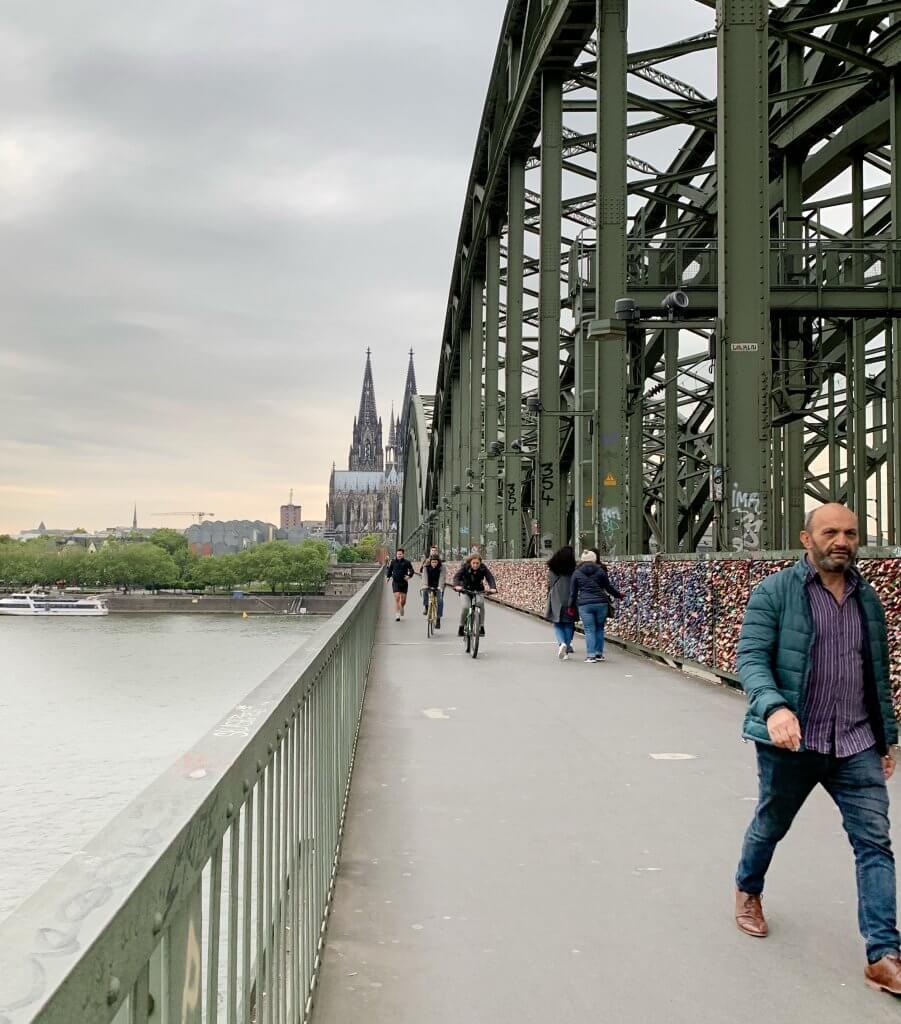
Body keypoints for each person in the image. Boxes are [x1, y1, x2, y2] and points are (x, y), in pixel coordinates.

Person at [733, 502, 900, 995]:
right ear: (807, 540)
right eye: (830, 532)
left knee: (875, 845)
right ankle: (748, 890)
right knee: (770, 824)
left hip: (855, 743)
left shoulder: (867, 599)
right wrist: (774, 708)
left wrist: (886, 739)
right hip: (793, 741)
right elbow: (751, 658)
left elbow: (877, 677)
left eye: (850, 533)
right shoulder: (775, 592)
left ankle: (884, 955)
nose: (842, 541)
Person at [569, 550, 622, 663]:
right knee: (599, 628)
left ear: (582, 560)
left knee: (589, 630)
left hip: (585, 604)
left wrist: (570, 606)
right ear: (594, 559)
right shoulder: (600, 571)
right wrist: (619, 595)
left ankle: (590, 656)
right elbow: (608, 587)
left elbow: (573, 593)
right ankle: (599, 654)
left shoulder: (576, 572)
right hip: (601, 603)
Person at [452, 553, 497, 637]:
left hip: (478, 590)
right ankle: (461, 626)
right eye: (474, 563)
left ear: (480, 563)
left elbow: (490, 577)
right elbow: (457, 577)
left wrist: (493, 587)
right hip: (465, 590)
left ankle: (481, 626)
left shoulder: (483, 568)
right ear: (470, 563)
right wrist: (456, 586)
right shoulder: (465, 567)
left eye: (477, 563)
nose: (475, 565)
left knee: (480, 604)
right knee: (466, 607)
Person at [545, 545, 577, 661]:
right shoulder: (574, 570)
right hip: (569, 598)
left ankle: (562, 643)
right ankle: (567, 648)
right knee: (569, 624)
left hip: (556, 598)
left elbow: (550, 584)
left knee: (557, 623)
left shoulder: (553, 569)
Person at [384, 547, 414, 621]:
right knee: (397, 597)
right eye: (398, 554)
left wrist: (409, 576)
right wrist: (388, 577)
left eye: (400, 554)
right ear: (396, 554)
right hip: (396, 582)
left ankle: (402, 606)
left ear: (403, 554)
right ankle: (397, 615)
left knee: (403, 600)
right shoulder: (393, 562)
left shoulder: (407, 562)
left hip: (404, 583)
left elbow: (411, 570)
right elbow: (390, 570)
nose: (399, 555)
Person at [420, 554, 447, 628]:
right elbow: (424, 576)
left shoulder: (442, 567)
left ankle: (438, 618)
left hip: (438, 586)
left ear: (438, 562)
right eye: (433, 562)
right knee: (425, 592)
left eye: (436, 562)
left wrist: (440, 587)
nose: (434, 563)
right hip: (428, 584)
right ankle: (426, 606)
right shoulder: (426, 567)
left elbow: (442, 577)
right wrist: (425, 585)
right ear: (430, 562)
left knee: (440, 600)